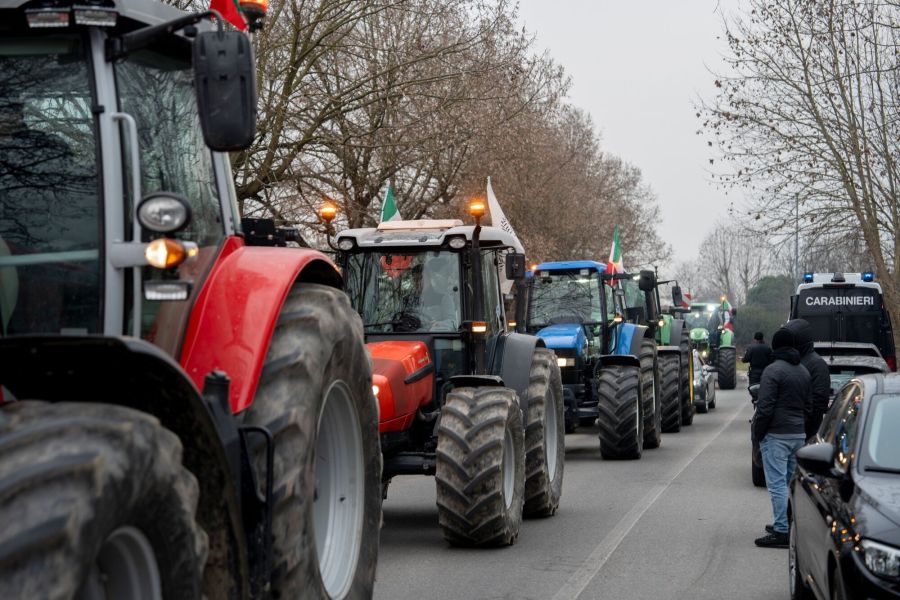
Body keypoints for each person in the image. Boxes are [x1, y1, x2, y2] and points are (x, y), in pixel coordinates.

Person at [752, 327, 811, 548]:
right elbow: (809, 405)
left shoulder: (772, 371)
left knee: (776, 484)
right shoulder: (803, 371)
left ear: (775, 346)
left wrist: (759, 433)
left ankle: (782, 531)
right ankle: (789, 522)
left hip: (776, 435)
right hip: (798, 434)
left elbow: (765, 407)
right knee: (791, 483)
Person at [785, 319, 831, 439]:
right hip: (788, 430)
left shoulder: (816, 364)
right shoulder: (791, 360)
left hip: (806, 432)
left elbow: (819, 401)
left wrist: (803, 423)